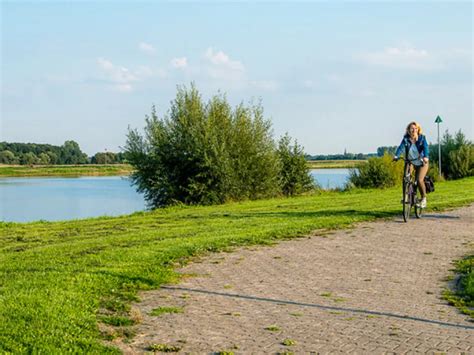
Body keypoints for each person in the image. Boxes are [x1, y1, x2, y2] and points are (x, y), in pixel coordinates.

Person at [393, 121, 429, 208]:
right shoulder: (406, 139)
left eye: (415, 128)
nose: (414, 130)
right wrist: (396, 156)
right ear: (408, 130)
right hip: (411, 161)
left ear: (418, 129)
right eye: (412, 128)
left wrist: (426, 157)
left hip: (421, 162)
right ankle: (406, 197)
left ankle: (424, 199)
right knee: (406, 178)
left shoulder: (422, 138)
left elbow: (426, 148)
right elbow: (401, 147)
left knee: (419, 180)